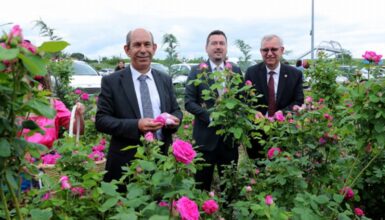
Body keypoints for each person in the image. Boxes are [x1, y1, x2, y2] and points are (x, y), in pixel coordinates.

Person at [95, 28, 182, 187]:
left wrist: (176, 119)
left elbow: (176, 110)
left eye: (147, 44)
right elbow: (101, 120)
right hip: (126, 165)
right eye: (137, 45)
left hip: (162, 160)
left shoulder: (164, 80)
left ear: (154, 48)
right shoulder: (112, 82)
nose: (143, 50)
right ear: (127, 50)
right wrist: (136, 125)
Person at [185, 30, 242, 191]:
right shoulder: (196, 71)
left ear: (226, 47)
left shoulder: (235, 71)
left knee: (229, 187)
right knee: (201, 187)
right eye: (214, 43)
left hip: (229, 142)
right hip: (204, 141)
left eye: (221, 43)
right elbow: (189, 102)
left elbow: (242, 100)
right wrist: (210, 116)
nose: (218, 47)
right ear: (206, 47)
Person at [245, 34, 304, 159]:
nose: (269, 53)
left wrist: (280, 114)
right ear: (261, 52)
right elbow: (245, 101)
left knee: (282, 171)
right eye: (265, 50)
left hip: (284, 132)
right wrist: (253, 111)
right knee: (258, 172)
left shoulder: (295, 74)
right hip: (258, 133)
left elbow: (298, 101)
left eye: (274, 49)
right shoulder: (251, 72)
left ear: (282, 50)